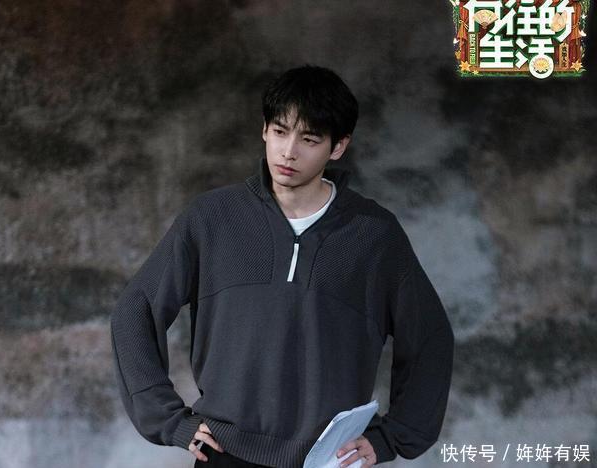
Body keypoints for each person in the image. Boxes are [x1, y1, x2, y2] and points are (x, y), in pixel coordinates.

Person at [110, 65, 455, 468]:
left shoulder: (374, 235)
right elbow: (135, 310)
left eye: (309, 139)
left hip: (327, 460)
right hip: (225, 453)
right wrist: (169, 420)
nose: (288, 151)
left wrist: (390, 437)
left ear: (338, 147)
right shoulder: (212, 218)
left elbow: (430, 339)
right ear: (264, 130)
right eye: (279, 131)